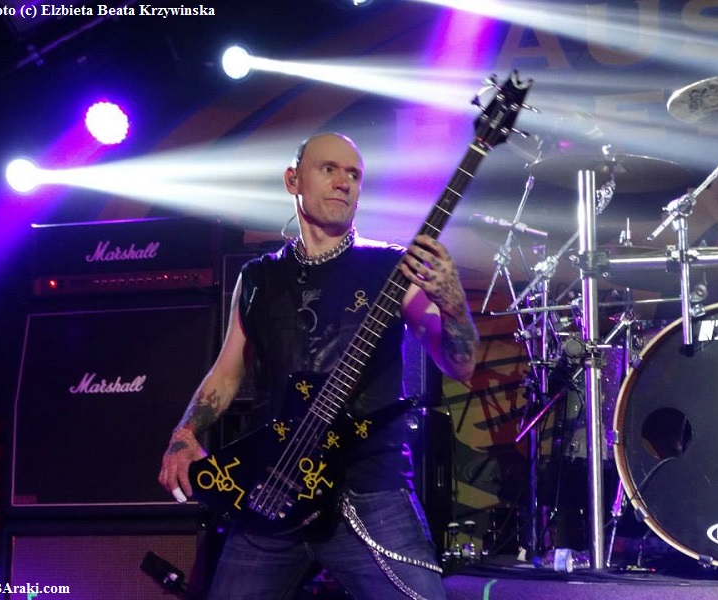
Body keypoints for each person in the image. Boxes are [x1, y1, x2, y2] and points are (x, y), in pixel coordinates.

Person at [158, 132, 478, 599]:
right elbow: (227, 373)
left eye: (354, 175)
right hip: (275, 484)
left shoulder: (394, 268)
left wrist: (453, 305)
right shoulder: (258, 278)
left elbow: (460, 365)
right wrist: (184, 433)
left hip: (369, 489)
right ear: (294, 180)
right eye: (329, 169)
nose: (344, 182)